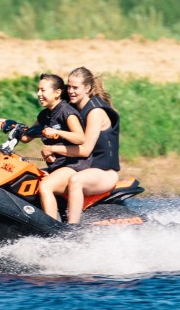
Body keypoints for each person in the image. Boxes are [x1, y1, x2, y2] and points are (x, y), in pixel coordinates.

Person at [0, 73, 84, 220]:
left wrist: (57, 132)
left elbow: (80, 137)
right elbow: (26, 137)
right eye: (38, 90)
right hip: (56, 167)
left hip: (73, 166)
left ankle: (52, 230)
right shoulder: (45, 115)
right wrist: (10, 124)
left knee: (45, 186)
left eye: (43, 90)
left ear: (57, 93)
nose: (38, 94)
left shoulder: (67, 113)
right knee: (23, 180)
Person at [40, 66, 120, 225]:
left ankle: (72, 228)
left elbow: (85, 150)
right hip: (83, 166)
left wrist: (52, 149)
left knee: (76, 180)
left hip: (103, 172)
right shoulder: (72, 109)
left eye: (75, 87)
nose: (70, 91)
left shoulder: (95, 112)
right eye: (69, 86)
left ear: (88, 88)